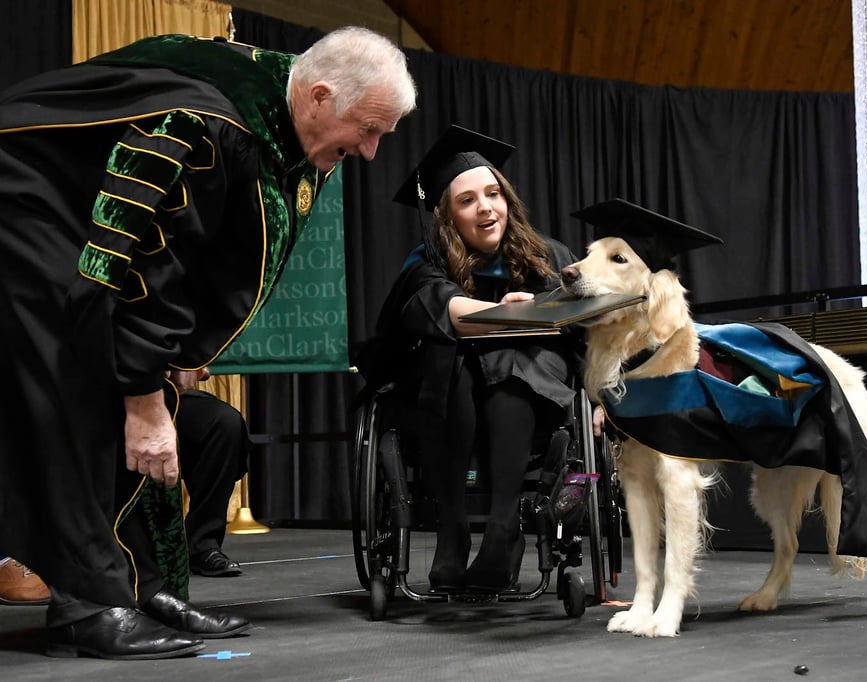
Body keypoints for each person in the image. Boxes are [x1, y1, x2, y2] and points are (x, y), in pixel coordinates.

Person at [0, 28, 417, 660]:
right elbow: (141, 263)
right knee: (80, 386)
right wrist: (142, 397)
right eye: (366, 129)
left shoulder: (279, 101)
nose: (371, 151)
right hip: (24, 208)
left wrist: (168, 366)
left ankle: (142, 586)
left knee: (134, 389)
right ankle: (87, 603)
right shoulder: (207, 127)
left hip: (71, 224)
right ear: (320, 96)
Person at [363, 125, 583, 592]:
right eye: (467, 200)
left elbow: (583, 335)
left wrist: (599, 400)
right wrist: (509, 314)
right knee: (452, 361)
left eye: (493, 194)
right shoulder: (427, 263)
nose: (485, 207)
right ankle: (453, 530)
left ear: (508, 200)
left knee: (512, 367)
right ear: (447, 215)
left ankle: (504, 529)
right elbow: (447, 311)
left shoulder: (548, 257)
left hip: (531, 401)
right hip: (445, 405)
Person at [169, 368, 250, 578]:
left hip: (168, 395)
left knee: (224, 422)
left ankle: (202, 544)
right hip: (114, 394)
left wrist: (188, 367)